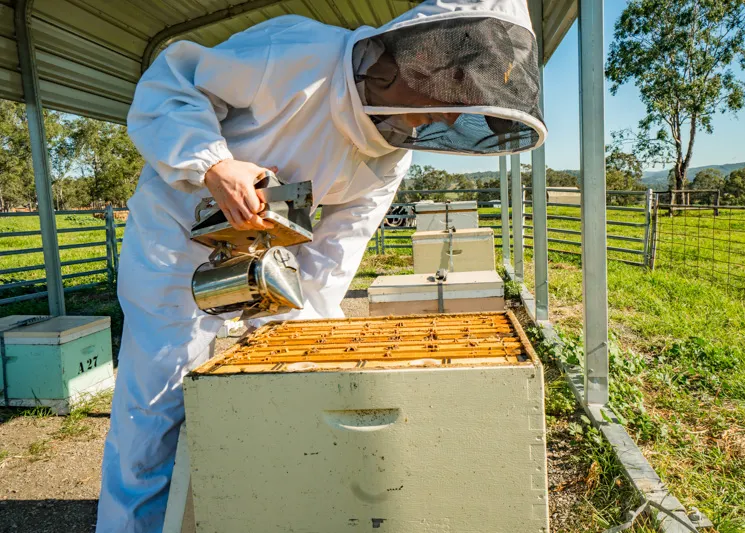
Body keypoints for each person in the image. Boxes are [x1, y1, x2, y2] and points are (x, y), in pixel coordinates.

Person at [95, 0, 546, 531]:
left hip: (265, 254)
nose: (452, 115)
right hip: (177, 235)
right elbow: (170, 82)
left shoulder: (388, 158)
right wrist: (214, 164)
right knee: (156, 397)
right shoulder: (298, 51)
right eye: (457, 88)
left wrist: (296, 341)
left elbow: (332, 257)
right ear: (422, 54)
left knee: (260, 394)